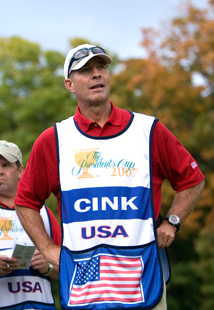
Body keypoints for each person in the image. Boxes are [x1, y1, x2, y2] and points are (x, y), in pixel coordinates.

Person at [15, 44, 205, 310]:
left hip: (143, 278)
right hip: (85, 286)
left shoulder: (148, 130)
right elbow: (25, 201)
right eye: (85, 70)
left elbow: (193, 180)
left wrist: (172, 222)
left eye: (101, 67)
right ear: (69, 84)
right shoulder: (54, 139)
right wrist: (47, 248)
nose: (96, 75)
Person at [0, 140, 61, 310]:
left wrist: (49, 267)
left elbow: (68, 262)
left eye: (6, 165)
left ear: (20, 171)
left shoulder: (42, 211)